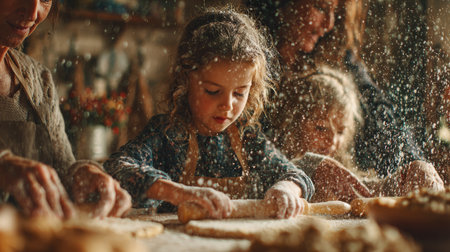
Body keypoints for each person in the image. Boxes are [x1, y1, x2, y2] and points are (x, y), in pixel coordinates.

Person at [103, 8, 315, 219]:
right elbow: (118, 167)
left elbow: (294, 174)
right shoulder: (167, 134)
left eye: (240, 93)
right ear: (185, 81)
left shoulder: (247, 138)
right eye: (213, 91)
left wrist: (287, 189)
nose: (227, 104)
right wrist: (179, 193)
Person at [246, 0, 444, 200]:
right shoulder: (247, 56)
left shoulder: (336, 53)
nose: (329, 24)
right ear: (284, 4)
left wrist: (414, 164)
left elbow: (382, 114)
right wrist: (305, 168)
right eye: (320, 8)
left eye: (336, 13)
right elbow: (248, 152)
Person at [0, 0, 131, 218]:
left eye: (44, 0)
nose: (33, 12)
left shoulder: (38, 81)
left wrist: (84, 175)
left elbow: (63, 168)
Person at [273, 66, 444, 200]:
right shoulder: (271, 166)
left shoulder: (341, 175)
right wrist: (313, 164)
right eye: (321, 128)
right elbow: (290, 174)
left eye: (340, 132)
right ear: (294, 124)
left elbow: (373, 192)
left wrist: (412, 171)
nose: (332, 140)